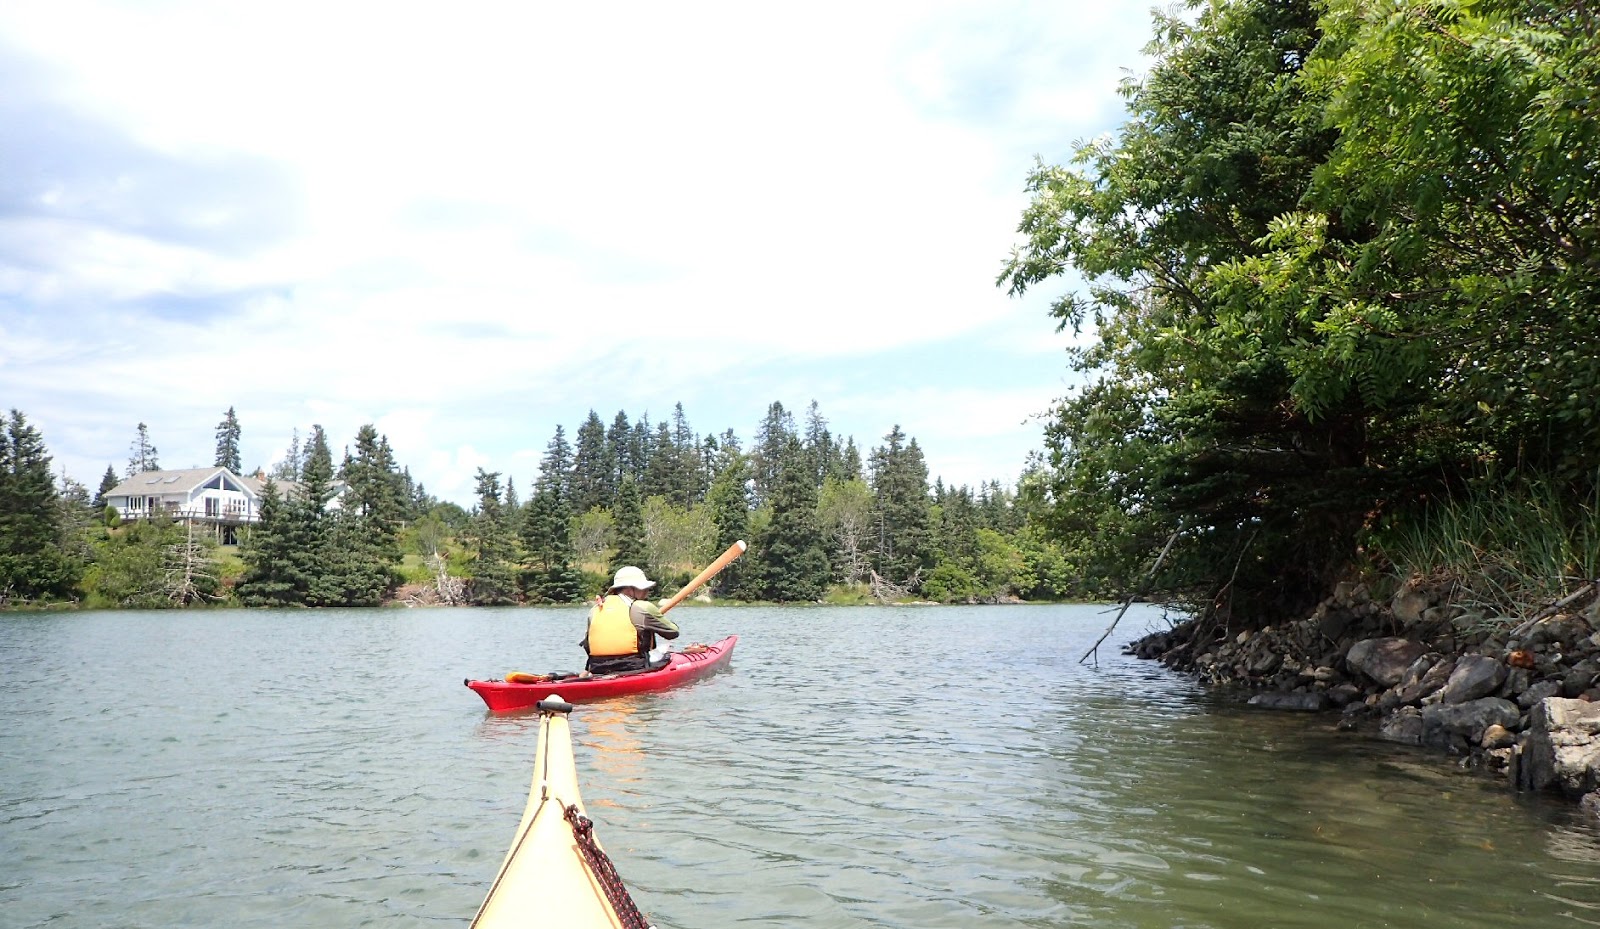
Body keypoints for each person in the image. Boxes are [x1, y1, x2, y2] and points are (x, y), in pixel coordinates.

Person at [579, 566, 680, 675]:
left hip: (598, 668)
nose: (647, 591)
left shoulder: (596, 609)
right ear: (629, 589)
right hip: (633, 667)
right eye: (642, 588)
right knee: (667, 654)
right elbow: (673, 633)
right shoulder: (641, 607)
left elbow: (588, 645)